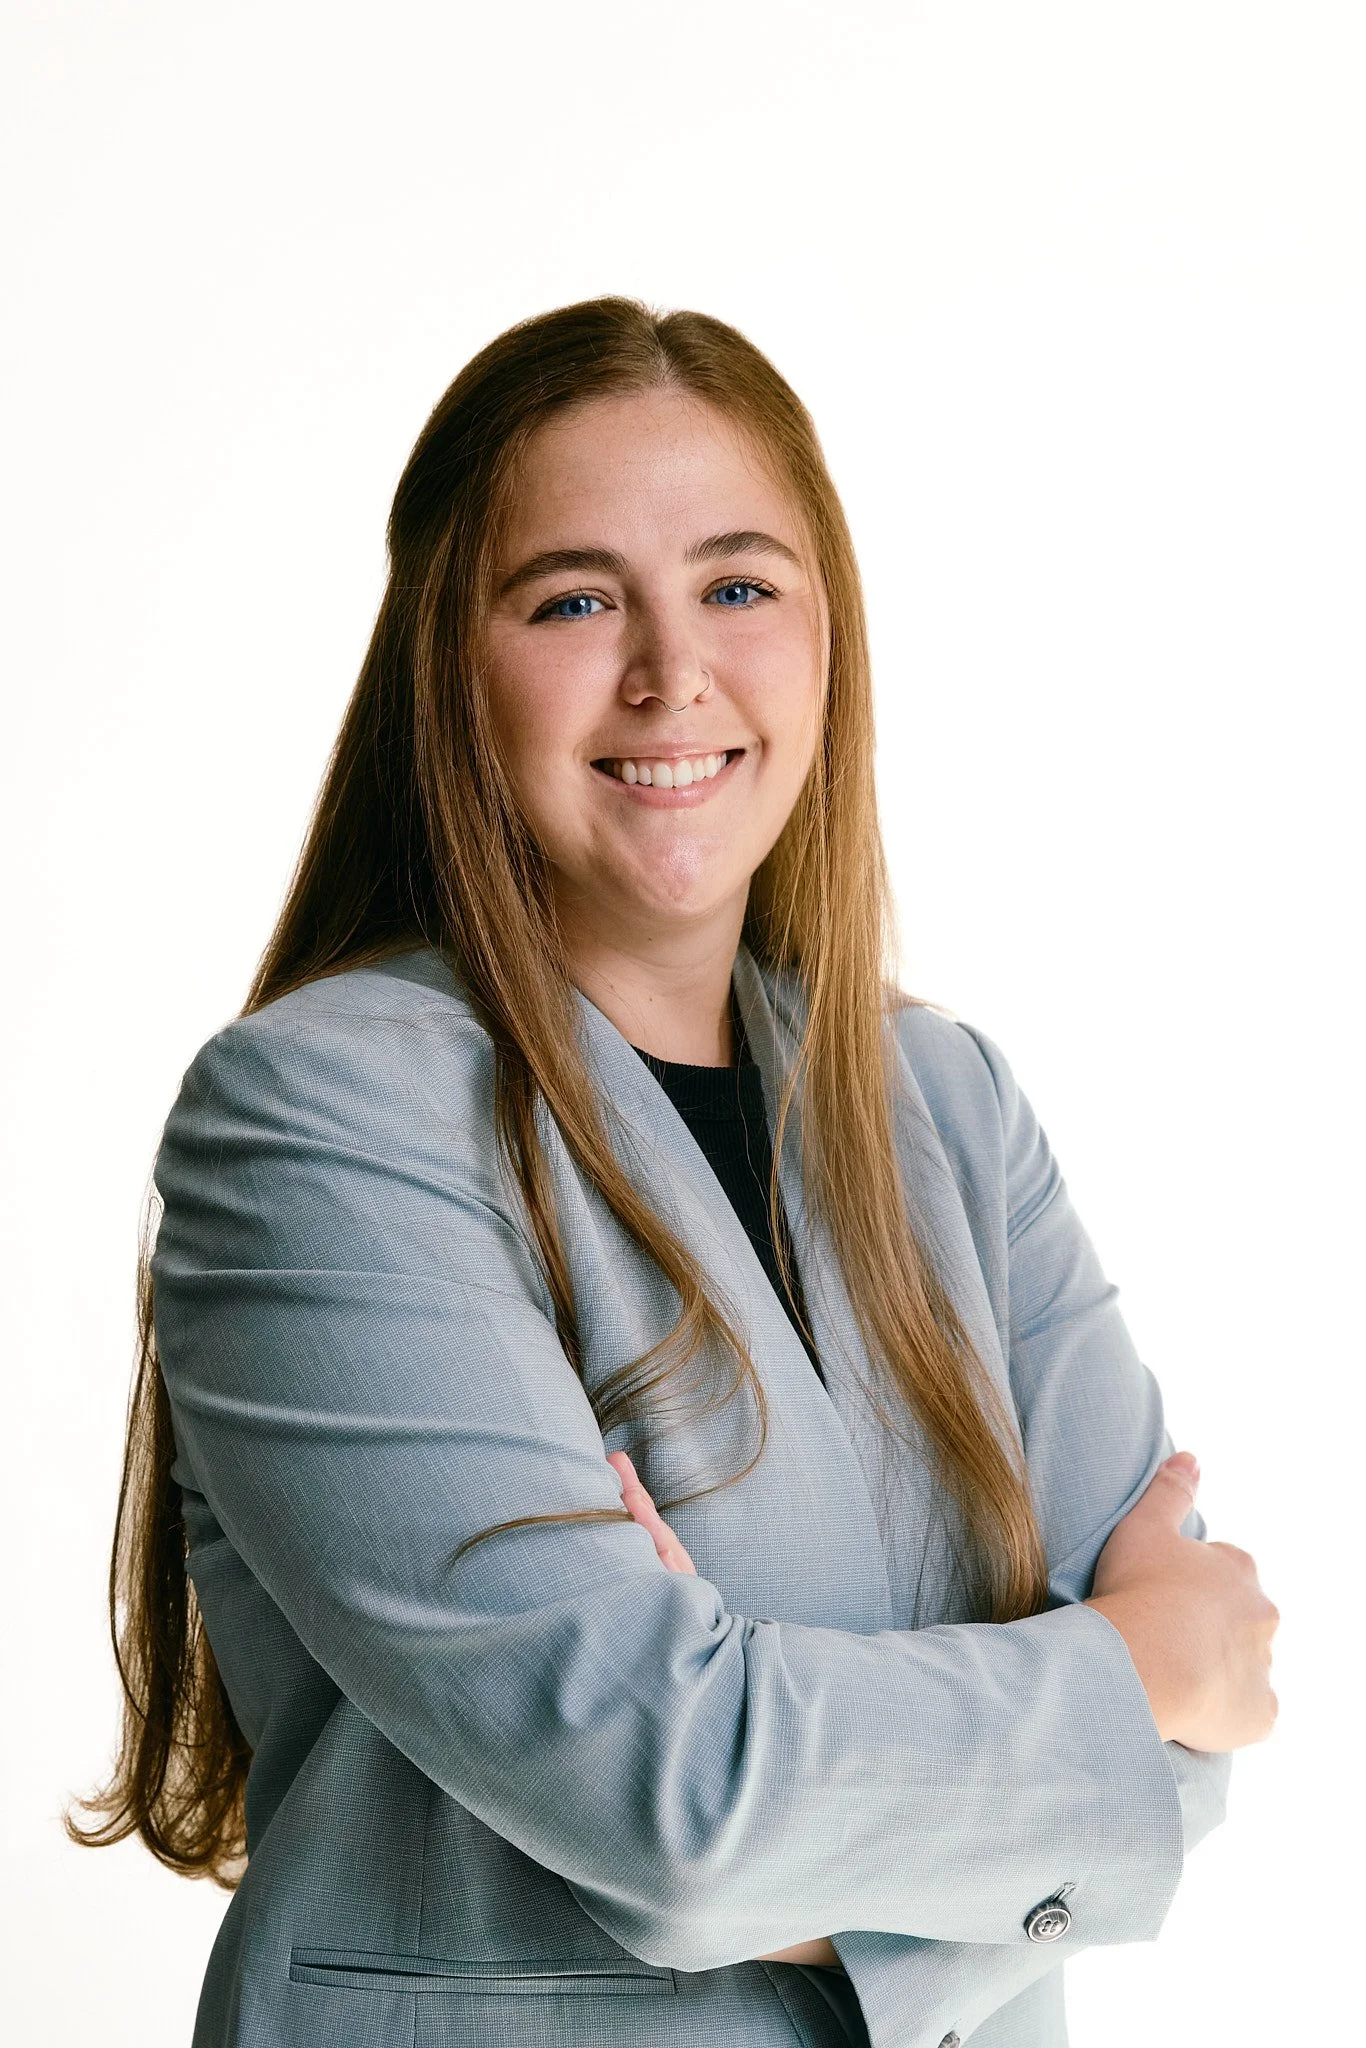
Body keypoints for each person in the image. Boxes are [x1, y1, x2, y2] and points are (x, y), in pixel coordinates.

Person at [71, 297, 1278, 2048]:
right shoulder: (320, 1122)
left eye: (738, 586)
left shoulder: (947, 1106)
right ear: (446, 667)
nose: (670, 673)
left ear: (828, 636)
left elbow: (1194, 1759)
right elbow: (682, 1799)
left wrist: (785, 1837)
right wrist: (1124, 1674)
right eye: (572, 600)